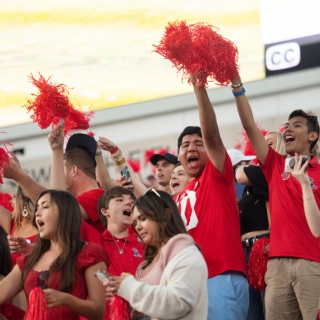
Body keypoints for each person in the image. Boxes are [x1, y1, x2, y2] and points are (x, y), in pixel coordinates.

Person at [232, 72, 320, 319]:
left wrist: (304, 185)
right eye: (287, 126)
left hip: (313, 263)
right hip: (277, 265)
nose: (288, 129)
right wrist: (237, 86)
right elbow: (249, 125)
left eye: (297, 125)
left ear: (313, 136)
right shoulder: (274, 163)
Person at [174, 73, 248, 320]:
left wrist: (200, 90)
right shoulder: (177, 198)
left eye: (198, 143)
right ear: (179, 156)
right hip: (189, 285)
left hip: (221, 276)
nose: (191, 148)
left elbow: (213, 135)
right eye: (185, 145)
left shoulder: (217, 175)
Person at [0, 189, 109, 319]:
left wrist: (66, 299)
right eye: (37, 208)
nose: (37, 213)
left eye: (45, 207)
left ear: (65, 213)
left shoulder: (89, 254)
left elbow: (98, 311)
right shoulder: (29, 259)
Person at [103, 188, 208, 320]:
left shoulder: (186, 254)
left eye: (143, 219)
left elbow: (178, 303)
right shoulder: (146, 263)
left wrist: (128, 286)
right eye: (135, 222)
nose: (138, 227)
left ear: (166, 215)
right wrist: (124, 296)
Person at [235, 131, 286, 320]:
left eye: (269, 144)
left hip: (262, 248)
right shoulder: (255, 178)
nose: (263, 147)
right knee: (253, 313)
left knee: (266, 311)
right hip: (247, 252)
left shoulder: (265, 173)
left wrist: (243, 167)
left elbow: (240, 174)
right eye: (261, 144)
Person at [97, 186, 144, 320]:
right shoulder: (93, 241)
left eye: (131, 200)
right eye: (119, 200)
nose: (129, 202)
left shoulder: (146, 247)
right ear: (105, 211)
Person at [0, 186, 38, 266]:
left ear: (25, 203)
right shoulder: (10, 221)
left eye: (14, 197)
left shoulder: (44, 229)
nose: (10, 201)